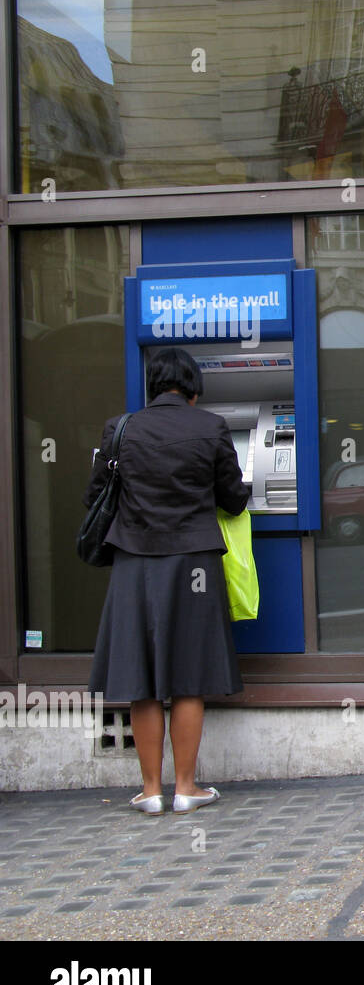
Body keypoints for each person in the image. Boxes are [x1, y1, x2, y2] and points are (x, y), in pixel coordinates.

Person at [84, 347, 251, 813]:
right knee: (188, 676)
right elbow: (233, 498)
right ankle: (186, 788)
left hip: (134, 563)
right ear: (193, 389)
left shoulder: (120, 429)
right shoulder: (211, 427)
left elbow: (95, 495)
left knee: (141, 677)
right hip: (193, 562)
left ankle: (151, 792)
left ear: (152, 386)